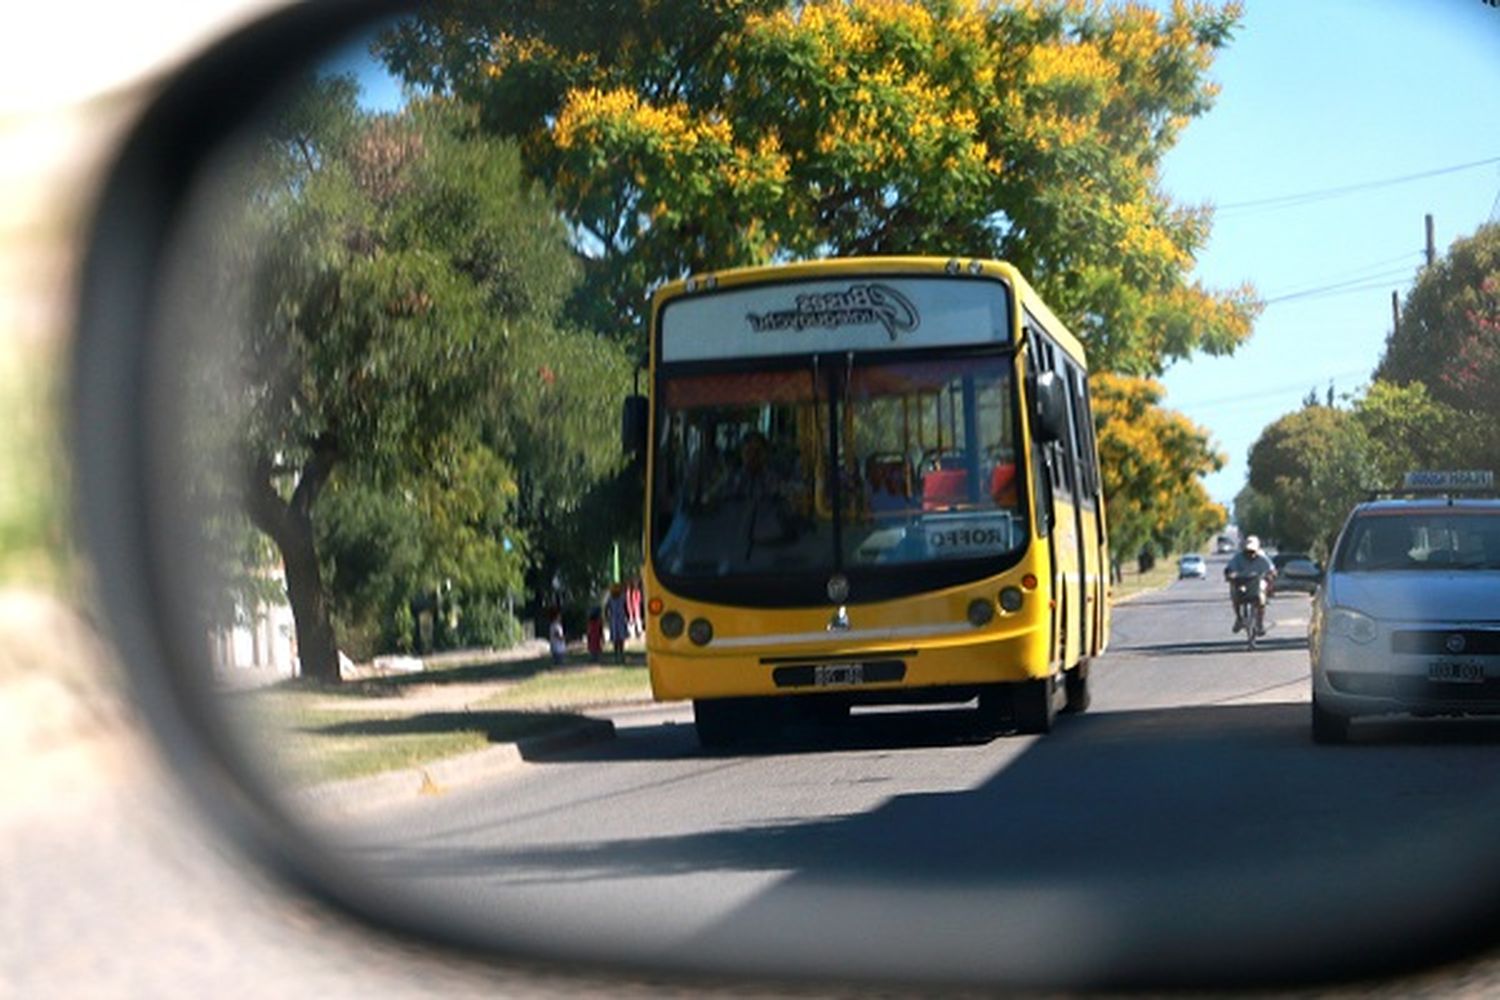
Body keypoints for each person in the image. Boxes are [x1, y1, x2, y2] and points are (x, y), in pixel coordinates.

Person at [1223, 535, 1276, 634]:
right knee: (1236, 595)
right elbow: (1229, 569)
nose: (1250, 554)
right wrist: (1230, 575)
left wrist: (1270, 576)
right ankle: (1239, 618)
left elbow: (1272, 570)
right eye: (1248, 551)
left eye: (1252, 551)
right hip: (1241, 581)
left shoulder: (1262, 557)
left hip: (1257, 581)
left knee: (1261, 600)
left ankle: (1260, 623)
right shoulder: (1238, 557)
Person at [605, 583, 629, 665]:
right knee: (616, 638)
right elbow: (607, 608)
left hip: (618, 619)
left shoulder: (621, 597)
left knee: (620, 638)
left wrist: (627, 615)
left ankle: (620, 655)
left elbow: (625, 607)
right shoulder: (612, 598)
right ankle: (617, 655)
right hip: (616, 619)